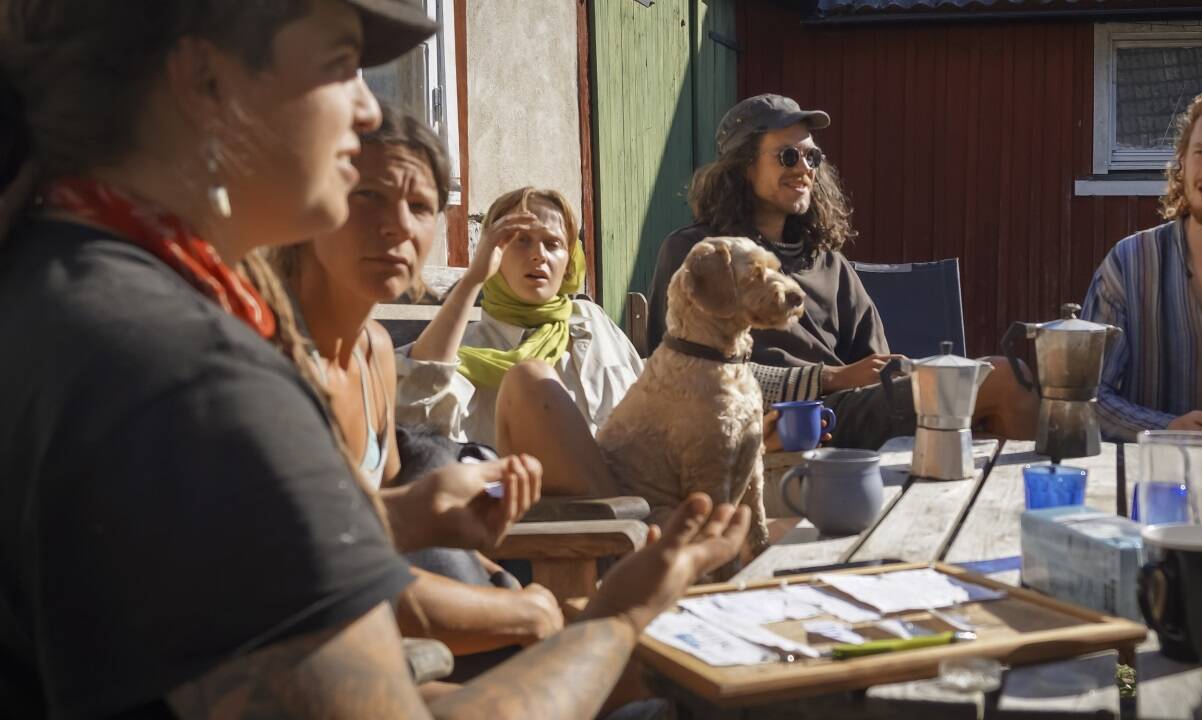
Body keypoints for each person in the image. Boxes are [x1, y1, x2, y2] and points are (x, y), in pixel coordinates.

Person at [0, 2, 749, 718]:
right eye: (343, 65)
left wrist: (399, 517)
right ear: (205, 82)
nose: (366, 112)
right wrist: (616, 623)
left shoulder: (54, 280)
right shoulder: (189, 374)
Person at [269, 102, 565, 665]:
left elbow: (397, 531)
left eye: (421, 206)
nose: (399, 225)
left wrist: (496, 574)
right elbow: (321, 573)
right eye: (368, 196)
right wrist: (529, 612)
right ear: (313, 201)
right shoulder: (267, 354)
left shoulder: (374, 352)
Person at [647, 93, 1038, 450]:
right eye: (788, 156)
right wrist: (829, 378)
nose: (804, 169)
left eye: (812, 158)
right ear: (743, 167)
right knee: (1003, 380)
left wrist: (898, 374)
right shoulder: (702, 255)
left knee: (991, 403)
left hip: (843, 412)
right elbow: (685, 369)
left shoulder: (827, 261)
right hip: (783, 419)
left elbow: (875, 364)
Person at [397, 187, 644, 496]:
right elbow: (414, 416)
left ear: (568, 260)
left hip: (640, 497)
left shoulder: (593, 322)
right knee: (530, 376)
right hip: (548, 519)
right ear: (493, 255)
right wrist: (474, 279)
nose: (538, 255)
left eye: (553, 244)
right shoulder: (466, 347)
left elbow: (646, 411)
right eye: (520, 240)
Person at [1081, 81, 1202, 442]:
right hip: (1151, 485)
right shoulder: (1129, 265)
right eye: (1201, 151)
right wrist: (1165, 428)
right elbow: (1086, 396)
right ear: (1183, 160)